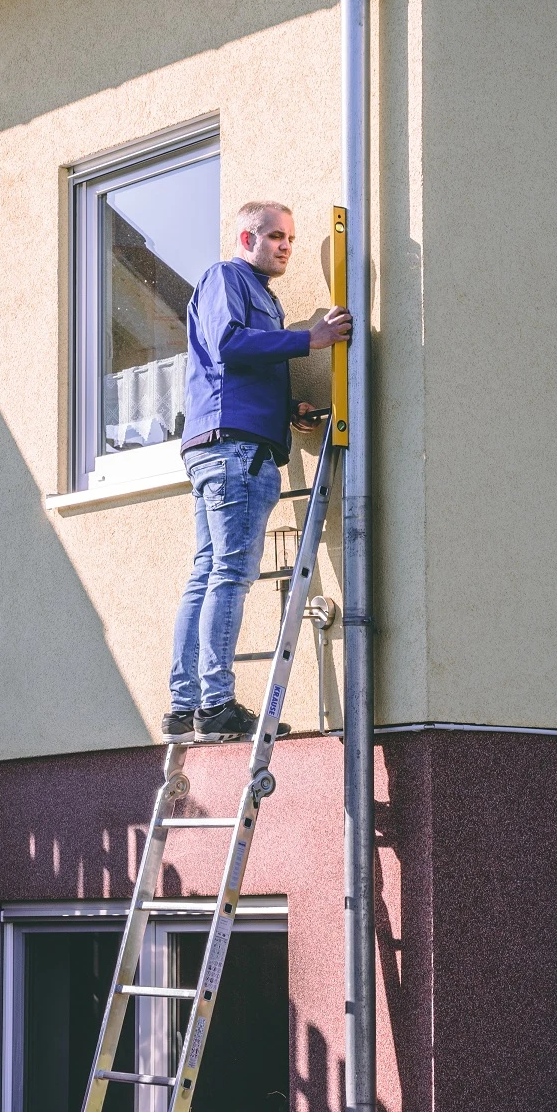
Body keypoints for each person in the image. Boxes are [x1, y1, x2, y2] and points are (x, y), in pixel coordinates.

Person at [163, 202, 352, 743]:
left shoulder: (259, 294)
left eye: (290, 238)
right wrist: (308, 339)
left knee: (208, 572)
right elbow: (228, 344)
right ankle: (216, 704)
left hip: (225, 442)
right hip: (233, 450)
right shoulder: (228, 276)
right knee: (230, 573)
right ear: (247, 237)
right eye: (274, 236)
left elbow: (238, 365)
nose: (285, 246)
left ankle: (185, 706)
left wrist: (285, 409)